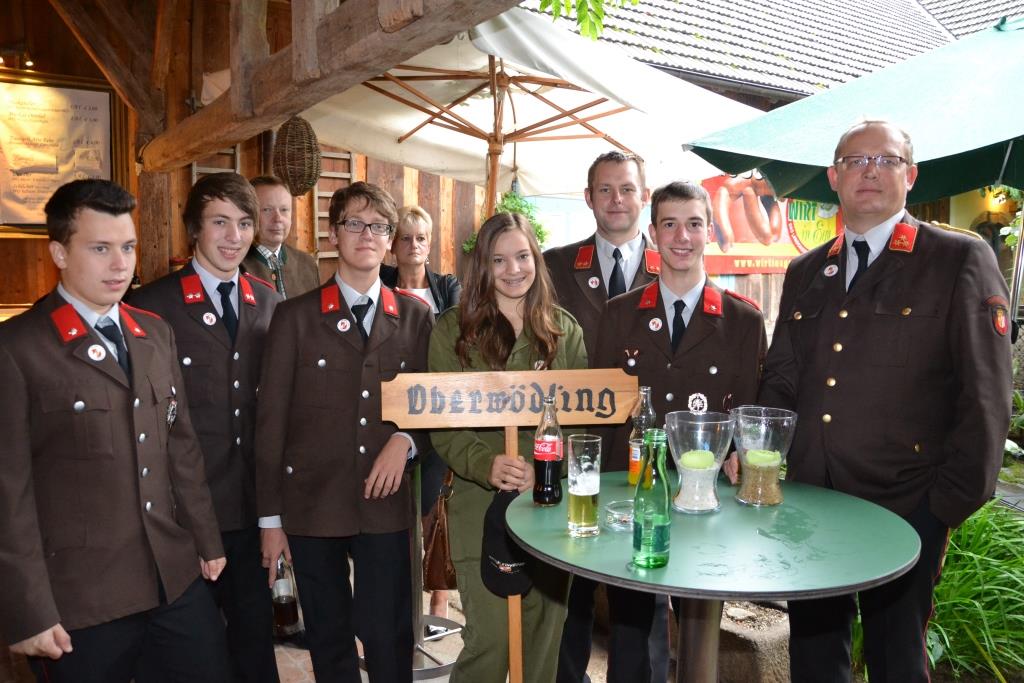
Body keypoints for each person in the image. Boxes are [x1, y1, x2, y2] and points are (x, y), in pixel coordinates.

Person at [757, 120, 1012, 682]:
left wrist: (944, 507)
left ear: (910, 175)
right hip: (813, 499)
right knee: (813, 655)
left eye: (886, 160)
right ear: (834, 177)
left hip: (906, 501)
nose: (869, 171)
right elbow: (781, 378)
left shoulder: (956, 259)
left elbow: (987, 397)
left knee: (897, 657)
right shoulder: (806, 270)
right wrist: (760, 454)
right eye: (855, 161)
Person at [0, 179, 229, 682]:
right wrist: (28, 609)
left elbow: (181, 449)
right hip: (82, 598)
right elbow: (8, 495)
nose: (120, 264)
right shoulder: (18, 349)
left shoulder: (154, 333)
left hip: (172, 577)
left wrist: (207, 540)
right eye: (100, 248)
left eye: (127, 247)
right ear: (59, 253)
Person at [255, 181, 433, 683]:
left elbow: (432, 408)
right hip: (313, 503)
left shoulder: (416, 318)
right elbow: (271, 421)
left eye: (378, 226)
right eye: (354, 223)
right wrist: (271, 519)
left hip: (385, 505)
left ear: (391, 238)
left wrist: (406, 440)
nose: (367, 235)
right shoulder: (295, 317)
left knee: (389, 635)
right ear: (333, 234)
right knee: (328, 638)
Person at [590, 181, 766, 682]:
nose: (682, 237)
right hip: (633, 491)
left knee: (700, 633)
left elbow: (748, 418)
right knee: (629, 633)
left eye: (693, 224)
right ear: (653, 232)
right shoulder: (619, 313)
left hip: (706, 502)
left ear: (709, 232)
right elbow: (603, 411)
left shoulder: (743, 320)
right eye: (669, 224)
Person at [131, 172, 282, 683]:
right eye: (220, 222)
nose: (234, 237)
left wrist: (274, 515)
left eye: (244, 223)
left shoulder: (269, 302)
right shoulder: (152, 306)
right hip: (181, 515)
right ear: (194, 228)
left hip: (249, 510)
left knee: (254, 646)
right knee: (192, 658)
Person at [429, 212, 587, 683]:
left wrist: (548, 464)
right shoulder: (452, 331)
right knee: (491, 643)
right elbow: (440, 422)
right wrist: (486, 463)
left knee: (543, 640)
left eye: (522, 257)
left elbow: (583, 423)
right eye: (498, 260)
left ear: (536, 258)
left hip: (550, 508)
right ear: (482, 265)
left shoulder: (564, 331)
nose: (513, 269)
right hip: (480, 506)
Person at [543, 151, 666, 683]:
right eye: (605, 190)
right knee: (568, 587)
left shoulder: (672, 263)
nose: (617, 200)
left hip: (642, 453)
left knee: (643, 590)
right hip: (576, 448)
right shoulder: (553, 267)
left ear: (644, 196)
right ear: (589, 198)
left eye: (627, 189)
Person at [380, 204, 462, 619]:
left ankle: (439, 594)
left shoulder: (447, 288)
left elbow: (461, 338)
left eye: (421, 238)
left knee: (433, 504)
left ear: (430, 244)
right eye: (406, 238)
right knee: (393, 508)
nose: (413, 245)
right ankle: (398, 596)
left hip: (436, 409)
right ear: (393, 245)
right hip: (390, 409)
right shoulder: (379, 283)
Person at [241, 175, 321, 298]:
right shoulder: (237, 266)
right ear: (249, 214)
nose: (278, 218)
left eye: (284, 210)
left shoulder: (307, 264)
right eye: (267, 210)